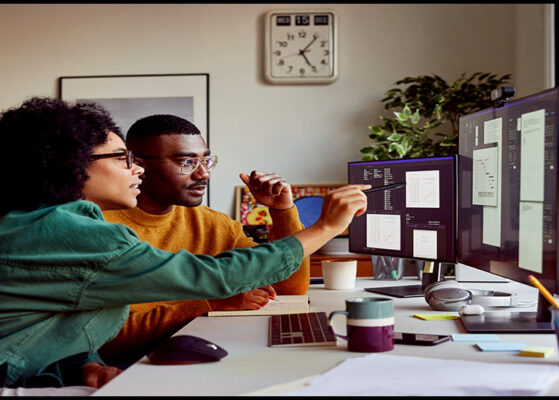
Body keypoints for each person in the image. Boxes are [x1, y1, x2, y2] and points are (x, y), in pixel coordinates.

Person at [0, 97, 369, 389]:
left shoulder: (42, 224)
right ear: (71, 165)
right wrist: (326, 226)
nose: (137, 170)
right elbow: (216, 277)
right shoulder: (71, 233)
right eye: (122, 158)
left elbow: (50, 325)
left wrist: (84, 367)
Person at [101, 115, 310, 361]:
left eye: (206, 161)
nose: (204, 174)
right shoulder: (100, 227)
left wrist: (282, 212)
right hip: (129, 368)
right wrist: (211, 302)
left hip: (204, 351)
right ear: (138, 165)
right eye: (187, 162)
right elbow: (106, 337)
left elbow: (289, 287)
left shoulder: (214, 223)